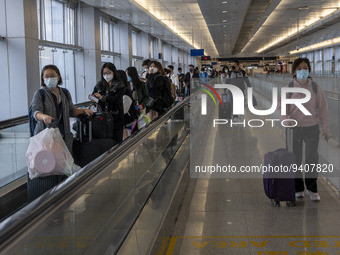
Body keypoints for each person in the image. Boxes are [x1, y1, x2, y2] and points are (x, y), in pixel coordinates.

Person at [29, 64, 93, 201]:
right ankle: (49, 199)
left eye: (52, 75)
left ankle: (63, 197)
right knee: (49, 168)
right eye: (46, 76)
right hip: (47, 139)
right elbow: (36, 111)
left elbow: (70, 111)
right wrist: (43, 116)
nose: (50, 78)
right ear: (42, 78)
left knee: (64, 168)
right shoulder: (40, 94)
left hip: (64, 137)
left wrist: (82, 111)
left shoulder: (65, 93)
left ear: (58, 76)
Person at [282, 57, 330, 202]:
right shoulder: (289, 87)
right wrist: (286, 120)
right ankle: (298, 189)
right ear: (294, 72)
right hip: (295, 128)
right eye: (299, 68)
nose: (303, 71)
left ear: (309, 70)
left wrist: (325, 128)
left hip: (312, 128)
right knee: (295, 159)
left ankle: (312, 188)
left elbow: (323, 109)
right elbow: (282, 107)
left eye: (305, 68)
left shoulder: (315, 87)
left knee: (311, 158)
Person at [91, 62, 124, 143]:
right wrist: (94, 99)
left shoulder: (119, 85)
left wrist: (102, 98)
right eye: (104, 73)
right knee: (105, 143)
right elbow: (95, 97)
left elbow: (117, 100)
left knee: (117, 142)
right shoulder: (99, 85)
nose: (106, 75)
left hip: (115, 119)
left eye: (109, 73)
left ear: (114, 72)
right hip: (102, 119)